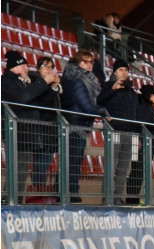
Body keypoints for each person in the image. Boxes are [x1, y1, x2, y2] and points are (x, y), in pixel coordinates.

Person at [1, 50, 58, 203]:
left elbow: (38, 102)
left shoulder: (22, 82)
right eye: (24, 66)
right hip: (16, 132)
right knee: (16, 171)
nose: (27, 69)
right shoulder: (5, 82)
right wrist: (42, 82)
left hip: (26, 133)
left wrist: (51, 88)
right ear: (15, 67)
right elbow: (23, 98)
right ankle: (9, 202)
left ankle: (16, 202)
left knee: (21, 171)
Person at [61, 49, 110, 203]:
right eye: (85, 61)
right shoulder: (76, 80)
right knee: (73, 162)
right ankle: (71, 194)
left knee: (73, 161)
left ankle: (70, 193)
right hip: (75, 125)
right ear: (77, 62)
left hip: (81, 124)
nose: (89, 65)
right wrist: (104, 111)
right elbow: (87, 107)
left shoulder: (86, 79)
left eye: (91, 62)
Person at [97, 58, 140, 205]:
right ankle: (107, 198)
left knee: (124, 168)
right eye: (121, 69)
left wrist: (137, 132)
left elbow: (136, 112)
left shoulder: (132, 92)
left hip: (130, 133)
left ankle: (118, 197)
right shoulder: (107, 86)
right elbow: (98, 101)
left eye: (126, 70)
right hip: (114, 131)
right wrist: (112, 89)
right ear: (114, 72)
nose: (124, 72)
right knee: (111, 166)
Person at [126, 84, 154, 204]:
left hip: (148, 143)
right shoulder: (144, 107)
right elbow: (144, 123)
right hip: (142, 142)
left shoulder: (151, 107)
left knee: (140, 171)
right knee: (137, 171)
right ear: (149, 95)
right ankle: (132, 198)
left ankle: (134, 197)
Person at [31, 56, 62, 193]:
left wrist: (55, 87)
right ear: (38, 68)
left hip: (51, 132)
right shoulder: (35, 81)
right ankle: (38, 193)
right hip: (40, 131)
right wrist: (53, 87)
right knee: (40, 165)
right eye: (45, 66)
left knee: (44, 164)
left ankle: (40, 192)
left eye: (51, 67)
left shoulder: (51, 86)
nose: (49, 70)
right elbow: (43, 104)